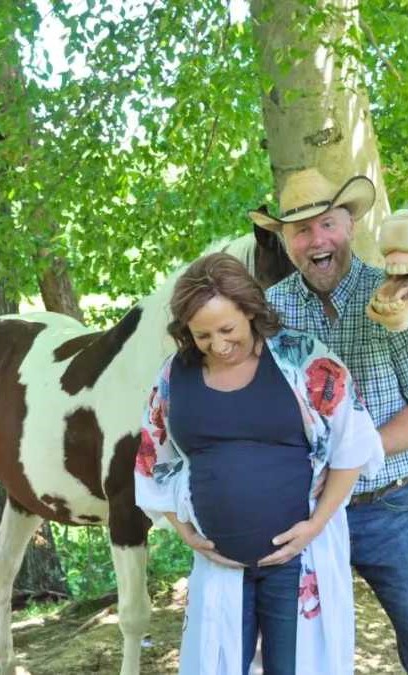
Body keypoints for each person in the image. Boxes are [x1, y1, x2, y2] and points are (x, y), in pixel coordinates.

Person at [249, 169, 408, 674]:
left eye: (327, 224)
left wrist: (352, 455)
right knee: (292, 656)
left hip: (385, 508)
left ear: (349, 226)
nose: (316, 240)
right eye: (301, 231)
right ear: (285, 241)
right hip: (298, 515)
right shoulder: (269, 313)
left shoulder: (395, 297)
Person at [133, 252, 384, 675]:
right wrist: (186, 532)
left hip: (297, 558)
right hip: (220, 566)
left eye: (227, 329)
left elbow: (352, 447)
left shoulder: (303, 360)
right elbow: (153, 460)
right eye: (202, 335)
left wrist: (315, 524)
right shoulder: (175, 376)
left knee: (296, 667)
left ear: (251, 311)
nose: (217, 344)